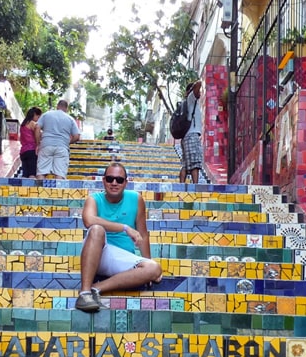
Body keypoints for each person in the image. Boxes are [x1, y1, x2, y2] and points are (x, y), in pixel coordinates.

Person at [75, 163, 162, 312]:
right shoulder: (94, 199)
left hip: (122, 259)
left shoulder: (136, 199)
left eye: (119, 180)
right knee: (96, 229)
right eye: (110, 179)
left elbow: (143, 234)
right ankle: (84, 294)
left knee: (154, 268)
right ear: (103, 181)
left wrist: (147, 262)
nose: (114, 183)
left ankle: (96, 288)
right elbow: (89, 220)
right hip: (98, 254)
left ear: (126, 183)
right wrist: (125, 228)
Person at [34, 99, 80, 179]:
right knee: (60, 173)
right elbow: (77, 136)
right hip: (62, 148)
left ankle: (39, 189)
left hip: (46, 145)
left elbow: (37, 128)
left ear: (57, 106)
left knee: (41, 172)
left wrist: (38, 144)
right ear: (66, 108)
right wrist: (67, 142)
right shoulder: (70, 119)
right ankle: (58, 189)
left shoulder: (46, 115)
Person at [179, 79, 203, 183]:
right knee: (195, 164)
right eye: (198, 91)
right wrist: (193, 89)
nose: (200, 93)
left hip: (187, 137)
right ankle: (195, 187)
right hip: (191, 135)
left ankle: (181, 184)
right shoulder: (191, 98)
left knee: (185, 164)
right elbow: (199, 83)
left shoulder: (189, 102)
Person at [19, 107, 42, 178]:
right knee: (32, 174)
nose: (39, 119)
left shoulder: (23, 125)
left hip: (23, 151)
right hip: (32, 150)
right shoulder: (32, 123)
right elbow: (38, 130)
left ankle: (23, 188)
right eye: (38, 117)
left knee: (25, 175)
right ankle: (31, 189)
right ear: (35, 115)